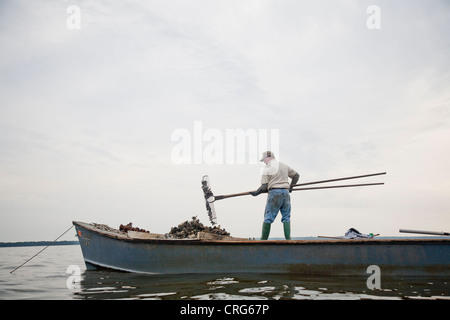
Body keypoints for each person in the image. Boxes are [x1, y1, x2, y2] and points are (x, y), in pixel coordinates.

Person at [251, 151, 299, 240]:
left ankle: (263, 240)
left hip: (274, 193)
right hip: (285, 192)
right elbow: (296, 176)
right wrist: (290, 188)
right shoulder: (284, 165)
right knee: (286, 217)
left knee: (268, 217)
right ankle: (289, 240)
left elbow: (264, 187)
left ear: (267, 158)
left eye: (264, 160)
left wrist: (256, 193)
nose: (264, 162)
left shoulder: (267, 168)